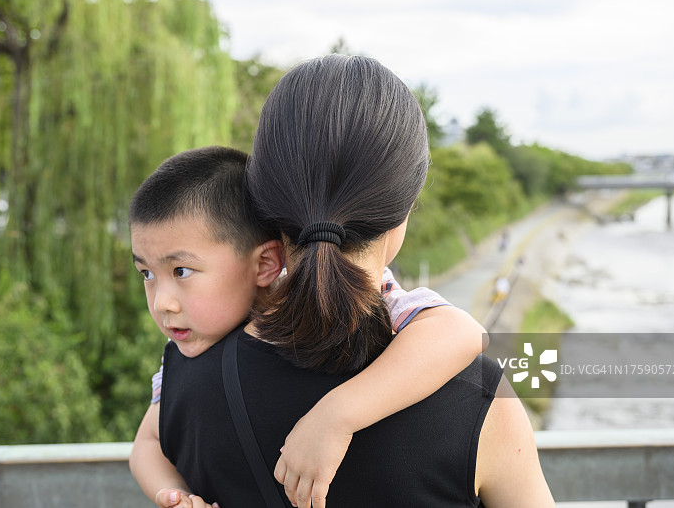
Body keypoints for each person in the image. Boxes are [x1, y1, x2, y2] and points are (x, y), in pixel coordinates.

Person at [143, 54, 555, 507]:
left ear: (265, 203)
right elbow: (467, 332)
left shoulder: (187, 375)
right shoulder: (477, 396)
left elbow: (148, 452)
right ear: (403, 209)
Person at [128, 146, 488, 507]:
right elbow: (147, 443)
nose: (161, 303)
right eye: (146, 274)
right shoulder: (180, 359)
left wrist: (336, 416)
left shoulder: (336, 287)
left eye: (182, 272)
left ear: (267, 263)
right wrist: (176, 496)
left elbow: (462, 332)